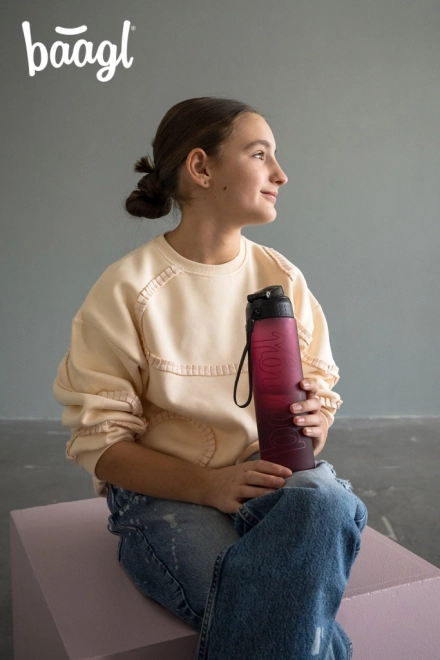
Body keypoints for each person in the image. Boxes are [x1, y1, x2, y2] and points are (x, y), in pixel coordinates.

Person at [53, 96, 368, 660]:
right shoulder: (128, 289)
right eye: (260, 154)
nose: (281, 174)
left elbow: (318, 395)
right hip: (165, 495)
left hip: (270, 477)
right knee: (281, 617)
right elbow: (100, 446)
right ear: (201, 167)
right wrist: (210, 487)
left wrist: (314, 422)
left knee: (326, 503)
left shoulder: (282, 278)